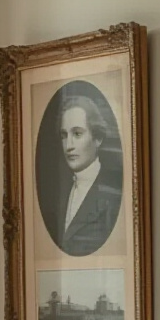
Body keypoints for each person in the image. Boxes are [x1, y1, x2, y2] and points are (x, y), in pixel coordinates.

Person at [38, 94, 123, 256]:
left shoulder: (113, 195)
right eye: (64, 135)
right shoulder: (57, 194)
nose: (69, 146)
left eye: (77, 134)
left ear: (97, 138)